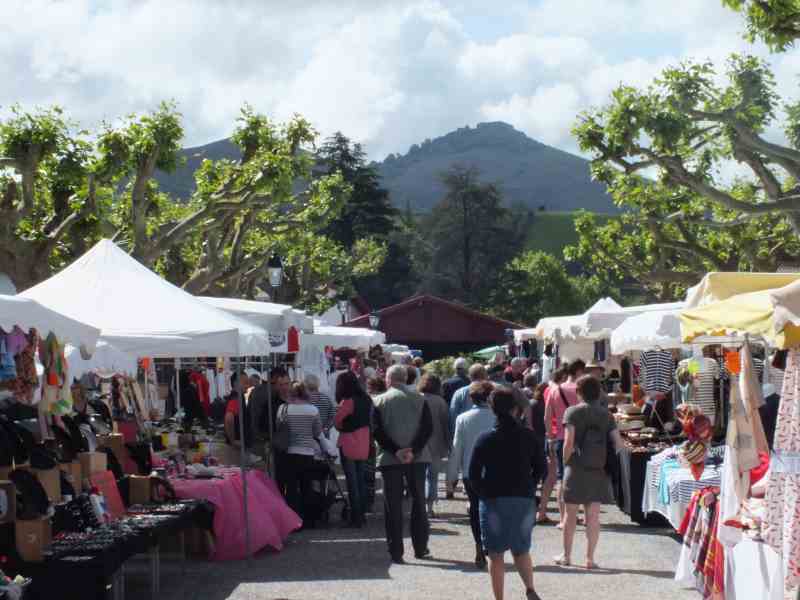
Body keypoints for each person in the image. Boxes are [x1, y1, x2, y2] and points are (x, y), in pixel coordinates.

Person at [468, 387, 546, 600]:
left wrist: (483, 493)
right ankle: (530, 589)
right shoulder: (529, 437)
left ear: (494, 410)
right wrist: (530, 485)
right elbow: (542, 468)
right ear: (515, 409)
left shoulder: (484, 439)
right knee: (521, 549)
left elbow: (473, 474)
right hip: (523, 498)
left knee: (495, 553)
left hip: (493, 499)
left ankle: (500, 598)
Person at [556, 375, 623, 570]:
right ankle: (590, 559)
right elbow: (618, 444)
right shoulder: (606, 415)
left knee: (570, 515)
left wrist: (564, 462)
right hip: (597, 469)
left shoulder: (572, 412)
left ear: (579, 392)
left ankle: (567, 556)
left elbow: (568, 442)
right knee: (593, 516)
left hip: (575, 468)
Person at [373, 364, 433, 564]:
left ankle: (396, 551)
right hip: (417, 458)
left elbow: (377, 431)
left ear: (388, 380)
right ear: (406, 378)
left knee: (393, 505)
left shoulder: (379, 400)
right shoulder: (420, 399)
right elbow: (427, 429)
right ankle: (421, 547)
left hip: (391, 459)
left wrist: (396, 450)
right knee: (419, 502)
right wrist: (413, 450)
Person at [448, 381, 497, 569]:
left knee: (475, 511)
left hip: (470, 471)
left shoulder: (463, 418)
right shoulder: (497, 417)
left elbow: (456, 448)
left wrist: (452, 476)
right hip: (495, 471)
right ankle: (490, 544)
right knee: (493, 509)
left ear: (471, 398)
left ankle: (479, 544)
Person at [543, 361, 584, 528]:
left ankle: (563, 519)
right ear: (579, 371)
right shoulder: (581, 390)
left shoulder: (554, 390)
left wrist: (551, 437)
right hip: (580, 438)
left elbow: (547, 417)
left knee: (561, 479)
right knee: (580, 478)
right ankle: (579, 516)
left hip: (560, 438)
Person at [281, 382, 323, 525]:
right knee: (307, 486)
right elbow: (317, 432)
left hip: (289, 452)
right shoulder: (313, 410)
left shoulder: (284, 409)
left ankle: (294, 521)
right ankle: (309, 520)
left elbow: (278, 427)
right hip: (307, 452)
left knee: (291, 488)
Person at [334, 371, 372, 528]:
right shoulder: (366, 399)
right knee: (361, 480)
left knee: (352, 482)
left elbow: (337, 421)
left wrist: (343, 427)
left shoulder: (347, 401)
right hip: (363, 441)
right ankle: (362, 513)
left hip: (349, 442)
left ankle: (356, 516)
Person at [447, 363, 488, 498]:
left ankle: (466, 489)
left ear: (470, 376)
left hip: (463, 430)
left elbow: (453, 414)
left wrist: (453, 434)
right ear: (484, 375)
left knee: (467, 459)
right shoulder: (492, 391)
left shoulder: (459, 392)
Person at [417, 373, 450, 518]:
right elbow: (445, 425)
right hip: (437, 442)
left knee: (420, 476)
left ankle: (421, 505)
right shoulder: (440, 401)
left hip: (419, 443)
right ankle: (429, 507)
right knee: (433, 477)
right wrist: (449, 444)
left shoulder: (416, 398)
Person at [537, 368, 567, 524]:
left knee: (551, 477)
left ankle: (542, 511)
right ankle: (564, 516)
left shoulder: (548, 389)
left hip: (551, 435)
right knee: (558, 477)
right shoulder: (556, 390)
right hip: (557, 435)